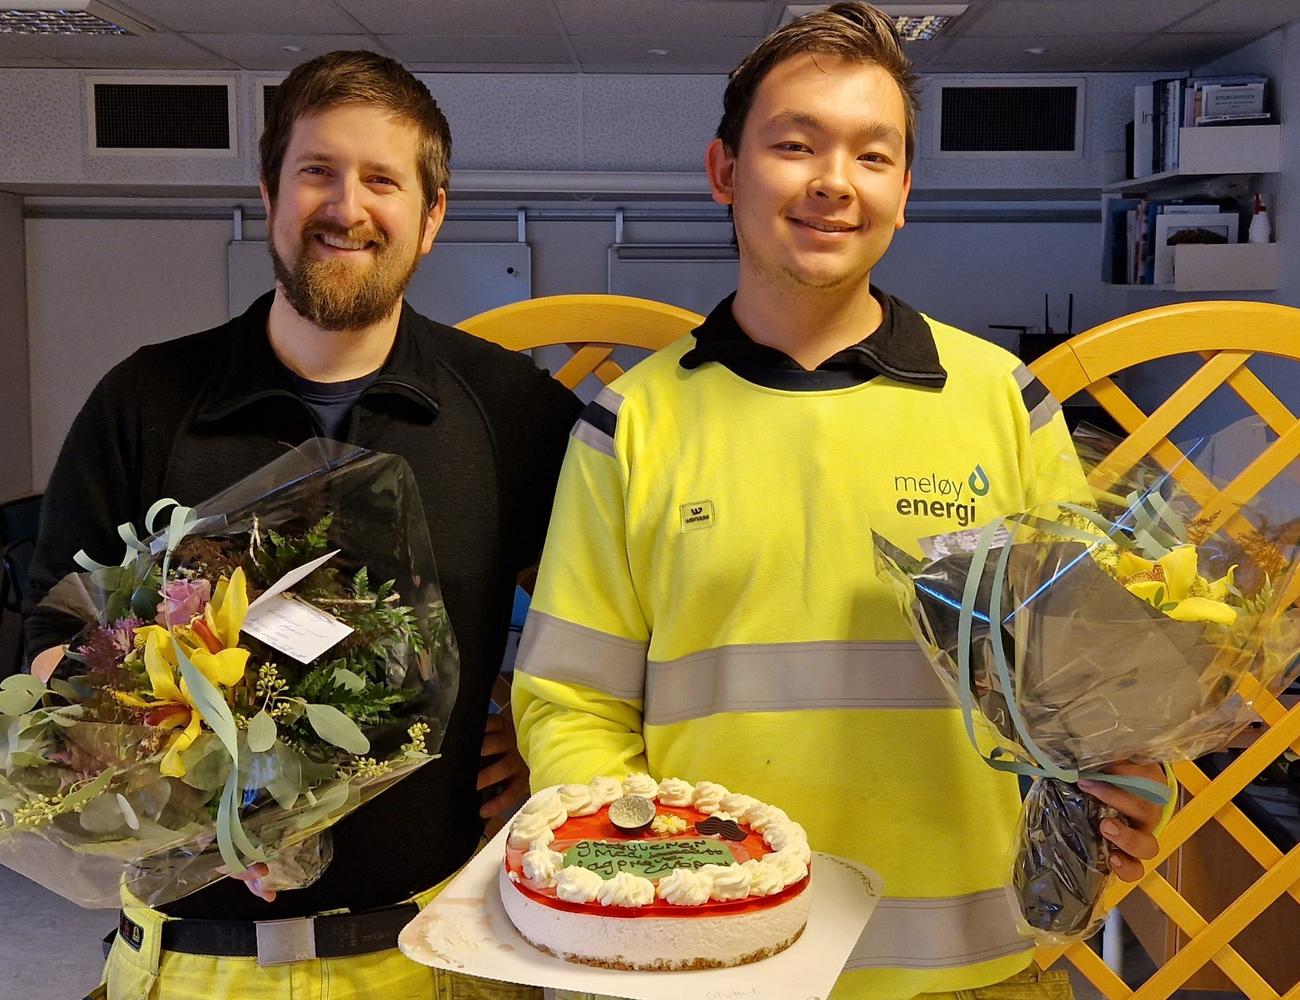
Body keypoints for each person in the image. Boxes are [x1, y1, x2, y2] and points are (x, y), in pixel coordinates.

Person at [511, 6, 1166, 999]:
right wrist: (650, 870)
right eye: (794, 144)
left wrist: (1127, 774)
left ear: (902, 193)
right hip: (713, 964)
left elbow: (1082, 676)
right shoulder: (630, 423)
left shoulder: (1003, 399)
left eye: (872, 154)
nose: (832, 180)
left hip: (973, 965)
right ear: (725, 171)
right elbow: (571, 700)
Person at [25, 50, 581, 1000]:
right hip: (194, 962)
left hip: (432, 950)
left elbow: (603, 625)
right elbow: (49, 640)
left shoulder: (509, 411)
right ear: (269, 191)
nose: (346, 207)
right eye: (317, 171)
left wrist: (546, 743)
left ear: (431, 215)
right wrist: (164, 728)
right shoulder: (147, 398)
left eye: (382, 179)